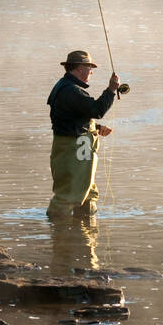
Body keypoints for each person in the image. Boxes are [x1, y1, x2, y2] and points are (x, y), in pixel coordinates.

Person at [46, 50, 119, 218]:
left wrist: (96, 127)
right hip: (74, 148)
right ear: (79, 68)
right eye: (89, 68)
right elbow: (97, 110)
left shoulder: (65, 87)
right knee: (68, 194)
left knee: (87, 191)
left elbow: (71, 117)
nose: (91, 72)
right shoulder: (72, 91)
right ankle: (58, 233)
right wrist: (111, 90)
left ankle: (85, 232)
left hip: (76, 147)